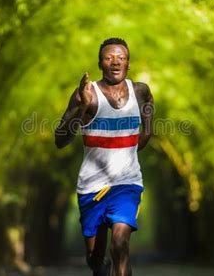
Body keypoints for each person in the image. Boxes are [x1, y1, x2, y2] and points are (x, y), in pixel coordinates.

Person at [55, 38, 154, 276]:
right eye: (109, 58)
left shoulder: (140, 92)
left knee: (120, 244)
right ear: (100, 63)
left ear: (129, 63)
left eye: (121, 58)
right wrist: (82, 108)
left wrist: (143, 133)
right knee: (95, 260)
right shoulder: (85, 94)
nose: (115, 62)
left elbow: (148, 112)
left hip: (126, 184)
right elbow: (60, 140)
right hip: (92, 186)